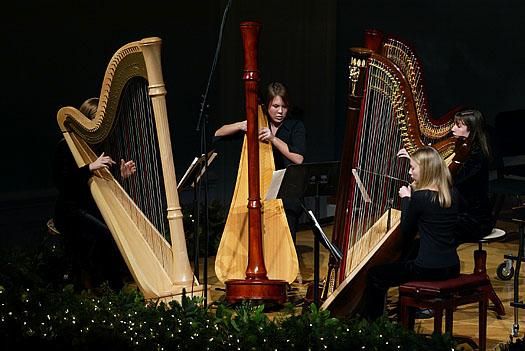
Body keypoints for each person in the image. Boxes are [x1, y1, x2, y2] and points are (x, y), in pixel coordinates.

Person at [214, 82, 306, 280]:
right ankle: (263, 267)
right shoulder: (258, 123)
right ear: (267, 106)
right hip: (263, 189)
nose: (280, 111)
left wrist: (273, 139)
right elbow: (218, 134)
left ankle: (288, 271)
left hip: (287, 189)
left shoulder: (295, 126)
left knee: (286, 221)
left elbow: (298, 158)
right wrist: (241, 125)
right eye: (275, 106)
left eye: (284, 107)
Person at [365, 146, 460, 320]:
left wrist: (406, 198)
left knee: (375, 274)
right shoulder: (452, 194)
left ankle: (373, 324)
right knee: (408, 257)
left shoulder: (420, 197)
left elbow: (406, 230)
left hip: (428, 269)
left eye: (413, 168)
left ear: (425, 170)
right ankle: (404, 315)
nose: (410, 172)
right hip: (452, 266)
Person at [53, 97, 136, 291]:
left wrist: (122, 175)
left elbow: (103, 184)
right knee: (108, 235)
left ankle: (113, 287)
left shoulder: (98, 147)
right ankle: (107, 288)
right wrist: (90, 166)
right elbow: (61, 182)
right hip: (71, 210)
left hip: (94, 209)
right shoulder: (65, 146)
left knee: (116, 231)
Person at [450, 109, 494, 243]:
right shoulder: (463, 148)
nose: (452, 129)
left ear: (471, 129)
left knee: (432, 224)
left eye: (458, 126)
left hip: (475, 220)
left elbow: (454, 181)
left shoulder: (477, 156)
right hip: (462, 214)